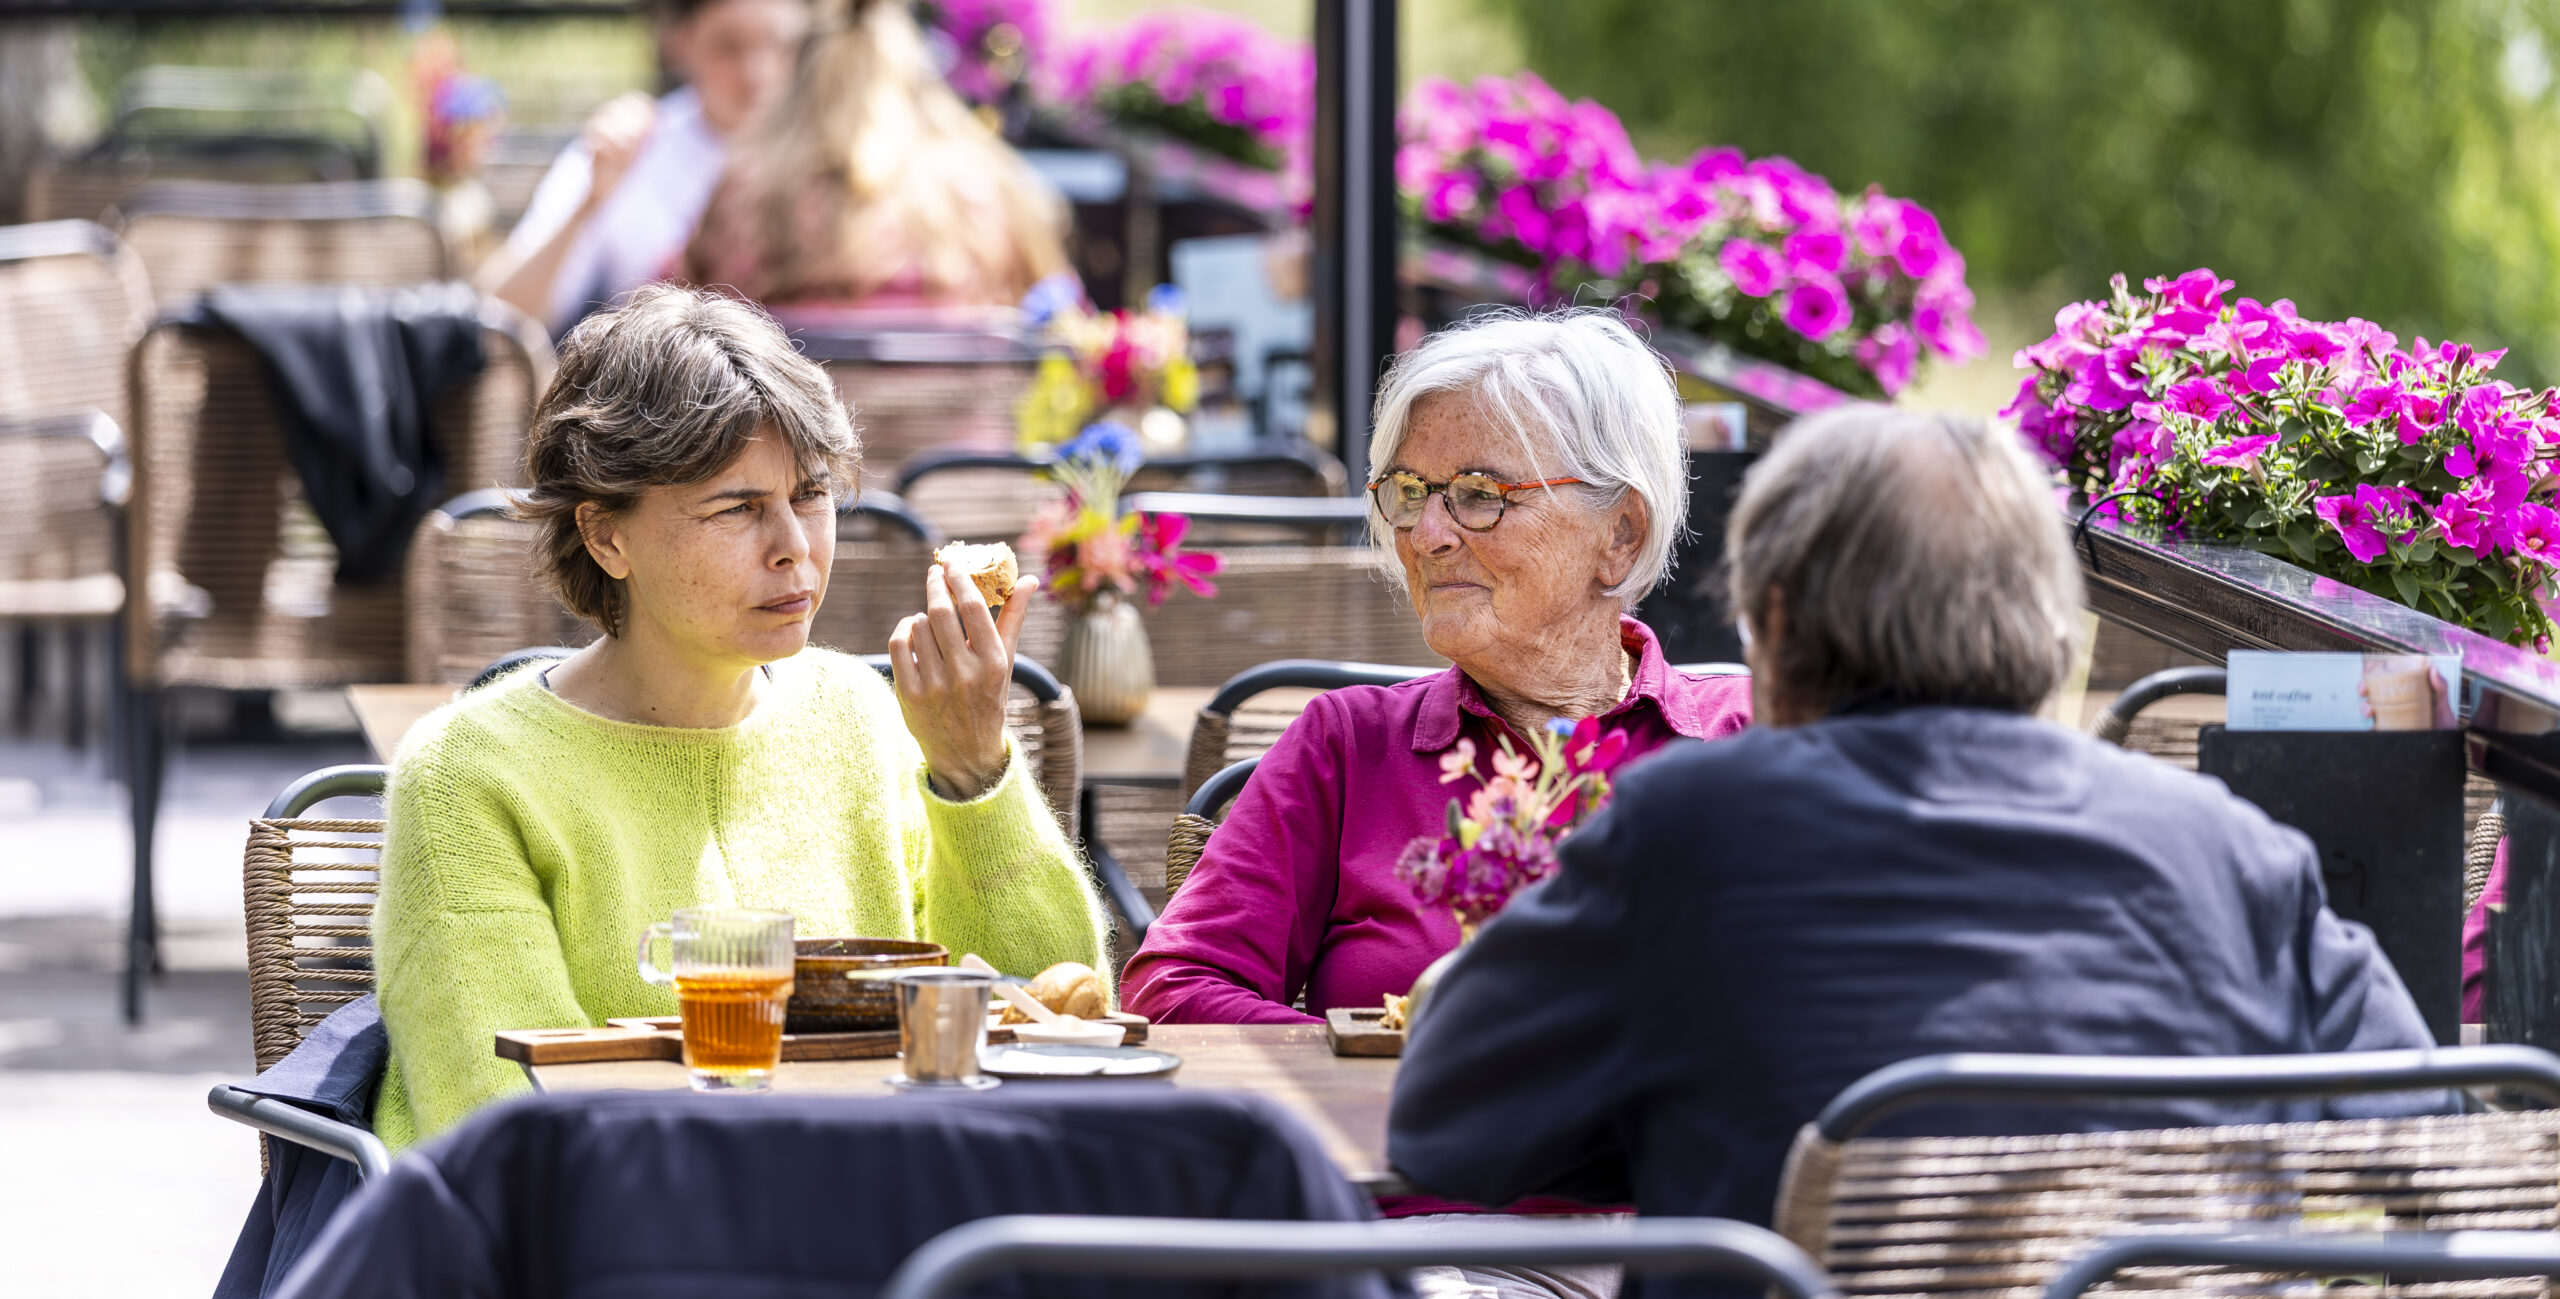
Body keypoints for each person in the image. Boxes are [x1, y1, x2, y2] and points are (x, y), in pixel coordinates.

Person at [1387, 405, 2443, 1296]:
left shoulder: (1690, 828)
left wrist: (1681, 1117)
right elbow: (2429, 1144)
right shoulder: (2225, 848)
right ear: (2044, 624)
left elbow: (1444, 1127)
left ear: (1779, 619)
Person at [369, 285, 1107, 1150]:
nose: (795, 542)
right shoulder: (469, 775)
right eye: (738, 507)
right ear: (607, 537)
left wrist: (974, 771)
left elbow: (1064, 1021)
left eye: (813, 493)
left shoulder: (870, 719)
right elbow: (505, 1128)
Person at [1122, 309, 1751, 1026]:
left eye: (1481, 494)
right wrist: (1397, 1062)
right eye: (1411, 492)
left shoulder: (1757, 739)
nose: (1426, 534)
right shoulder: (1348, 748)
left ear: (1620, 532)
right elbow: (1173, 987)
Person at [681, 0, 1070, 321]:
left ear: (801, 77)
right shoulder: (989, 188)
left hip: (790, 398)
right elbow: (1067, 324)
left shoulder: (741, 192)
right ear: (917, 74)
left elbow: (674, 323)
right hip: (961, 397)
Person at [479, 0, 807, 336]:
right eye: (727, 46)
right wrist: (589, 204)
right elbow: (500, 316)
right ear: (679, 41)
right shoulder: (630, 147)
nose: (756, 72)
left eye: (777, 44)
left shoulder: (842, 153)